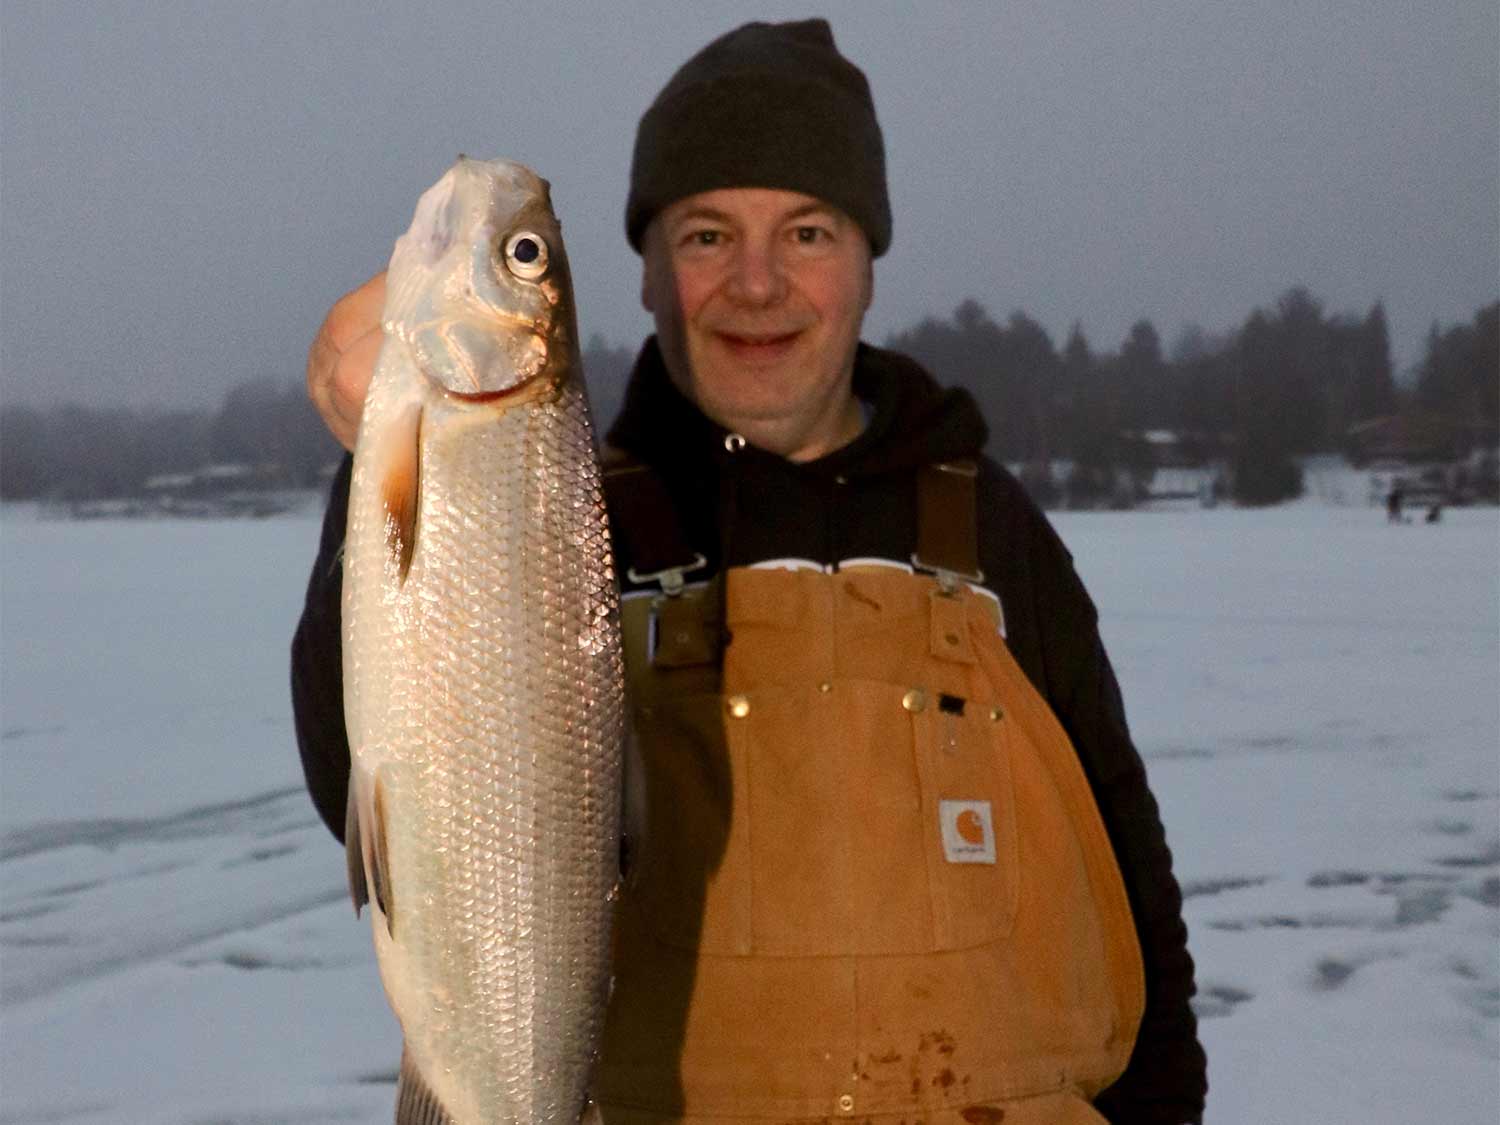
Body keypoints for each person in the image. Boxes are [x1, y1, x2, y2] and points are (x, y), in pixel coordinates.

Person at [291, 20, 1207, 1124]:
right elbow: (360, 773)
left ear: (868, 261)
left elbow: (1129, 882)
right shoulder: (569, 519)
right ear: (645, 276)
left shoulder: (993, 532)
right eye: (709, 235)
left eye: (808, 232)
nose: (758, 283)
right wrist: (386, 464)